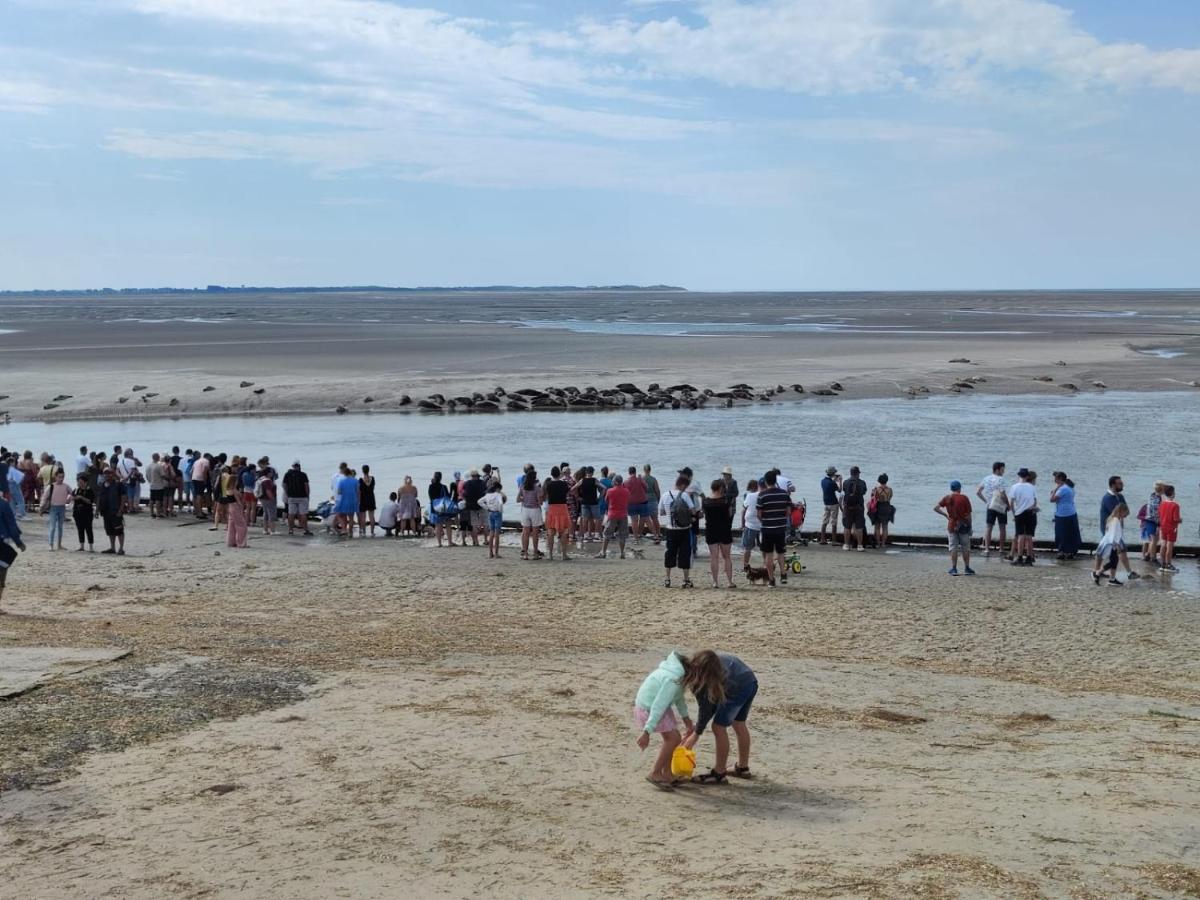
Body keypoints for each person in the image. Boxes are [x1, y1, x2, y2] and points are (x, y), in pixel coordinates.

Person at [681, 651, 758, 783]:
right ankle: (742, 768)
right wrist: (697, 731)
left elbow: (706, 708)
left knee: (718, 727)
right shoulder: (713, 665)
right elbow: (708, 707)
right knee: (738, 723)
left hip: (739, 686)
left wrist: (696, 734)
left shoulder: (705, 674)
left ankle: (719, 773)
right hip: (750, 680)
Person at [632, 651, 696, 790]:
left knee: (675, 737)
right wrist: (647, 732)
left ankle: (667, 774)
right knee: (672, 738)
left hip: (657, 707)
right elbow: (658, 705)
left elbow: (679, 698)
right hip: (648, 708)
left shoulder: (675, 673)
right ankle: (655, 773)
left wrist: (686, 719)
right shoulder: (672, 679)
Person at [659, 474, 697, 588]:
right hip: (684, 529)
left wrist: (671, 513)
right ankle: (685, 580)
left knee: (669, 553)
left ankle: (667, 579)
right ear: (683, 485)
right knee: (685, 553)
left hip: (670, 529)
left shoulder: (665, 495)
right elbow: (693, 511)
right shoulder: (684, 495)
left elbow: (661, 512)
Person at [755, 471, 792, 584]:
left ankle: (771, 579)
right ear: (775, 480)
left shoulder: (762, 495)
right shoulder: (784, 494)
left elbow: (759, 514)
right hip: (780, 528)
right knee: (781, 553)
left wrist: (765, 521)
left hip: (767, 528)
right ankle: (783, 574)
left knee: (769, 554)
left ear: (766, 482)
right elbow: (789, 512)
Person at [1098, 476, 1138, 579]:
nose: (1122, 485)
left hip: (1117, 528)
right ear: (1113, 485)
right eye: (1119, 483)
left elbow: (1126, 511)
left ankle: (1101, 573)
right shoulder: (1107, 498)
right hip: (1109, 529)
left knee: (1113, 552)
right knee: (1112, 553)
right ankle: (1101, 573)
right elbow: (1117, 513)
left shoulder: (1120, 496)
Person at [934, 480, 975, 576]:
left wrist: (945, 515)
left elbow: (936, 508)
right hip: (963, 526)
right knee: (965, 547)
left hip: (952, 525)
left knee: (953, 548)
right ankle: (967, 568)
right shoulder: (964, 498)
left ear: (951, 488)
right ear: (959, 488)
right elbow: (969, 515)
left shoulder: (947, 498)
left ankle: (954, 568)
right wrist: (970, 527)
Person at [702, 479, 736, 588]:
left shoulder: (706, 501)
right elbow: (730, 514)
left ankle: (715, 582)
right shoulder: (726, 501)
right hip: (724, 530)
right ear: (721, 488)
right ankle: (730, 582)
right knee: (727, 557)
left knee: (714, 557)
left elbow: (704, 514)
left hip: (711, 530)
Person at [976, 462, 1009, 558]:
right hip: (1000, 506)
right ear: (997, 469)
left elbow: (978, 492)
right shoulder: (1001, 479)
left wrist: (986, 501)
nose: (1003, 471)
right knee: (1002, 527)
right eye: (1002, 469)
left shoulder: (986, 478)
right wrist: (1008, 504)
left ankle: (986, 549)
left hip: (990, 505)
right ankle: (1001, 549)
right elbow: (1002, 494)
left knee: (988, 527)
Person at [0, 493, 26, 612]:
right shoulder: (4, 504)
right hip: (2, 542)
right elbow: (11, 525)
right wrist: (19, 542)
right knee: (1, 572)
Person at [1093, 502, 1130, 586]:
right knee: (1113, 562)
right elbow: (1113, 534)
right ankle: (1098, 573)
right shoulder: (1116, 520)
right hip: (1112, 544)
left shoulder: (1111, 518)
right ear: (1121, 511)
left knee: (1114, 561)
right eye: (1125, 514)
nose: (1125, 516)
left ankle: (1112, 579)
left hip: (1108, 543)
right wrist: (1117, 546)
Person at [1009, 468, 1039, 566]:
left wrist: (1014, 513)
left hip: (1019, 513)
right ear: (1027, 476)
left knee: (1020, 536)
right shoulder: (1032, 487)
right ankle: (1029, 558)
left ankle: (1020, 557)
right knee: (1029, 536)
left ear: (1019, 476)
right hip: (1030, 512)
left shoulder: (1014, 487)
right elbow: (1035, 501)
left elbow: (1011, 503)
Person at [596, 474, 630, 560]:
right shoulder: (626, 491)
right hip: (623, 514)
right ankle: (622, 553)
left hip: (613, 514)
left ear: (615, 482)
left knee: (607, 534)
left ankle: (603, 552)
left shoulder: (610, 491)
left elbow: (606, 500)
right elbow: (628, 500)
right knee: (622, 535)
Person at [1050, 471, 1081, 560]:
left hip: (1062, 514)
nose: (1054, 479)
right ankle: (1071, 551)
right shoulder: (1070, 487)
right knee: (1071, 533)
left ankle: (1061, 552)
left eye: (1055, 478)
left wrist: (1056, 489)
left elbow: (1052, 499)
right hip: (1072, 512)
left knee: (1061, 533)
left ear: (1059, 479)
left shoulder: (1062, 489)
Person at [543, 466, 572, 561]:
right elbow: (567, 493)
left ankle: (550, 554)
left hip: (552, 508)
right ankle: (564, 554)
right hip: (562, 507)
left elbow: (545, 495)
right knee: (564, 531)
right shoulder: (564, 484)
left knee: (550, 531)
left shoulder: (548, 484)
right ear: (559, 474)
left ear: (551, 474)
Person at [97, 468, 126, 555]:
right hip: (105, 511)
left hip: (115, 510)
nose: (107, 475)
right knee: (109, 530)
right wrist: (97, 510)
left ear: (112, 474)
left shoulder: (118, 484)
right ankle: (112, 547)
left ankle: (121, 548)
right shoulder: (102, 485)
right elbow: (99, 498)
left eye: (109, 473)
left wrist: (121, 509)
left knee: (119, 530)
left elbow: (123, 497)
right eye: (105, 474)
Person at [517, 468, 543, 560]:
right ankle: (535, 553)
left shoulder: (522, 486)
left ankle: (525, 553)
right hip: (535, 510)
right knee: (535, 533)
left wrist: (524, 499)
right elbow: (540, 502)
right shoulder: (537, 488)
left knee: (526, 532)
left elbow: (517, 499)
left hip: (525, 510)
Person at [840, 466, 867, 551]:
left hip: (848, 508)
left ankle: (846, 545)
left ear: (851, 473)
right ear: (858, 473)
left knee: (847, 527)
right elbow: (864, 492)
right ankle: (859, 545)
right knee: (859, 527)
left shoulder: (845, 482)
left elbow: (844, 490)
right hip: (859, 508)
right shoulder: (862, 483)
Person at [428, 471, 458, 548]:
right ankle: (450, 542)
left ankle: (439, 543)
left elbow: (431, 498)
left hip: (435, 508)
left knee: (438, 526)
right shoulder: (443, 487)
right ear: (441, 478)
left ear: (434, 477)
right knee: (448, 524)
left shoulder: (431, 486)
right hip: (444, 508)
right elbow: (448, 497)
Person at [45, 470, 72, 550]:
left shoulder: (66, 486)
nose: (61, 479)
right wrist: (42, 508)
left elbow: (72, 493)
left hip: (62, 507)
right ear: (55, 477)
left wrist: (69, 499)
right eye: (59, 477)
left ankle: (59, 545)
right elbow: (45, 497)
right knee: (52, 527)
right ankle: (51, 544)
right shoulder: (51, 486)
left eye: (62, 477)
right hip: (53, 508)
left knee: (60, 527)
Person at [479, 480, 506, 558]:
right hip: (497, 513)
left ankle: (490, 552)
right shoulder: (498, 495)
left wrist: (487, 508)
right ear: (497, 489)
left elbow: (479, 501)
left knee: (491, 532)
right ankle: (496, 553)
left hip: (490, 513)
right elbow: (501, 503)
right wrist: (500, 510)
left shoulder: (487, 495)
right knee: (497, 534)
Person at [1157, 485, 1181, 574]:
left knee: (1163, 545)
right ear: (1172, 493)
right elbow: (1175, 519)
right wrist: (1180, 520)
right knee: (1169, 547)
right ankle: (1168, 564)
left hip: (1163, 527)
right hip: (1172, 528)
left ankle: (1162, 564)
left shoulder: (1162, 503)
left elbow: (1160, 515)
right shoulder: (1175, 505)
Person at [575, 467, 601, 545]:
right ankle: (596, 536)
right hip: (593, 502)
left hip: (584, 502)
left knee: (585, 519)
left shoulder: (582, 480)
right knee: (597, 519)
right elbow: (604, 488)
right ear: (592, 473)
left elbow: (573, 488)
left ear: (586, 472)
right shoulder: (594, 480)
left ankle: (585, 536)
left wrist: (577, 497)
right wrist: (600, 497)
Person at [461, 468, 487, 547]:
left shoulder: (467, 483)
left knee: (474, 524)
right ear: (478, 476)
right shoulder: (482, 483)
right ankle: (486, 540)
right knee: (485, 524)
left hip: (471, 506)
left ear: (471, 476)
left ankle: (476, 541)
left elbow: (464, 494)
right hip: (481, 505)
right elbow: (485, 492)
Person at [1141, 481, 1164, 564]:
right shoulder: (1157, 499)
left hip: (1148, 520)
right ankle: (1153, 558)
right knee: (1154, 540)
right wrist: (1159, 523)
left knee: (1154, 539)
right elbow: (1156, 512)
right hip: (1152, 521)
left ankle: (1148, 554)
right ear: (1162, 490)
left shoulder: (1152, 495)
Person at [868, 474, 894, 549]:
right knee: (885, 527)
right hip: (887, 507)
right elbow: (890, 497)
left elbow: (873, 498)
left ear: (879, 480)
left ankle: (878, 544)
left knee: (877, 527)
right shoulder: (890, 489)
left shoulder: (877, 489)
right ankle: (883, 544)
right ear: (886, 480)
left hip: (879, 507)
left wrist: (873, 493)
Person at [740, 478, 760, 569]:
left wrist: (742, 524)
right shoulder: (763, 495)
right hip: (762, 525)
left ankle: (745, 566)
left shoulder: (748, 495)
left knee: (747, 547)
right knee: (764, 548)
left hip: (750, 524)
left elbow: (743, 511)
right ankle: (765, 565)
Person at [625, 466, 649, 544]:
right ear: (635, 472)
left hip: (631, 503)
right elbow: (646, 488)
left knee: (634, 520)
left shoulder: (626, 482)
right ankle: (639, 534)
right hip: (642, 502)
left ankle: (635, 538)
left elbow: (624, 492)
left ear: (629, 473)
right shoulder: (640, 480)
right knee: (642, 519)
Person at [334, 467, 359, 538]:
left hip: (344, 501)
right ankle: (350, 532)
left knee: (340, 515)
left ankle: (344, 529)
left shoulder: (342, 481)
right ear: (350, 473)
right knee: (351, 518)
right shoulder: (355, 481)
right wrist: (358, 501)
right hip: (353, 501)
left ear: (345, 474)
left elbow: (339, 492)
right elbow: (358, 492)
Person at [73, 474, 95, 551]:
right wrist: (74, 498)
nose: (79, 483)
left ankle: (91, 547)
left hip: (87, 513)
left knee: (89, 529)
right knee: (80, 529)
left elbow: (90, 501)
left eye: (81, 482)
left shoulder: (89, 490)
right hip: (77, 513)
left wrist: (81, 497)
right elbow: (72, 498)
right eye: (78, 482)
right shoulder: (76, 490)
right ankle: (81, 546)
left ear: (85, 482)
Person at [642, 464, 662, 544]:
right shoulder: (653, 479)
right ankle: (658, 533)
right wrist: (659, 499)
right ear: (650, 470)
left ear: (644, 470)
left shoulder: (642, 479)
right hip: (653, 500)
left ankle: (639, 534)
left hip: (644, 500)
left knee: (644, 518)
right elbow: (657, 490)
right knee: (655, 518)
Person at [256, 464, 278, 535]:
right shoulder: (267, 481)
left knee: (265, 514)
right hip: (268, 499)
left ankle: (265, 530)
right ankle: (272, 530)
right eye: (271, 472)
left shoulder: (261, 479)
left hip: (262, 498)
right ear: (268, 473)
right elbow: (268, 491)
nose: (272, 474)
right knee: (271, 514)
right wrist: (272, 499)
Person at [357, 464, 377, 537]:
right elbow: (373, 488)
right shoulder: (372, 478)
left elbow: (359, 491)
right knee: (372, 516)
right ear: (369, 470)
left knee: (363, 517)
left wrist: (358, 501)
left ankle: (364, 531)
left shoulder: (360, 480)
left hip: (363, 499)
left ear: (362, 471)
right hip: (371, 498)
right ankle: (372, 531)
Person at [191, 452, 211, 520]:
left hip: (194, 478)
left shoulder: (196, 461)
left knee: (197, 495)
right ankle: (200, 513)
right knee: (200, 495)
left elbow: (191, 471)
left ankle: (198, 511)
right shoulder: (206, 461)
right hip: (200, 479)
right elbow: (204, 471)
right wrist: (205, 481)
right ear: (208, 457)